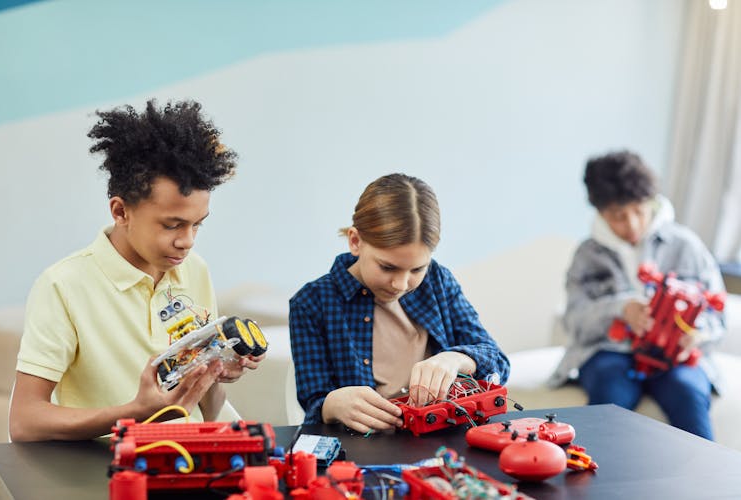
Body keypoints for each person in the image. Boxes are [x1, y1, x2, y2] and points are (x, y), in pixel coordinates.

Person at [9, 100, 264, 442]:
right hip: (110, 475)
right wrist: (134, 414)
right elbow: (25, 421)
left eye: (197, 225)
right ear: (120, 211)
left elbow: (206, 409)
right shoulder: (63, 286)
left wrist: (216, 371)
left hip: (191, 459)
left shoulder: (194, 271)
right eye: (172, 225)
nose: (186, 242)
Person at [289, 173, 510, 433]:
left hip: (442, 437)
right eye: (387, 267)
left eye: (417, 269)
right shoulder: (311, 303)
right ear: (355, 241)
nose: (401, 284)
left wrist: (456, 359)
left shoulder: (438, 280)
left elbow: (498, 364)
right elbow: (313, 404)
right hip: (364, 447)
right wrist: (332, 405)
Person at [550, 150, 726, 439]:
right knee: (609, 392)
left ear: (651, 203)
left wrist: (697, 333)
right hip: (609, 352)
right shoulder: (587, 255)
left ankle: (708, 481)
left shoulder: (685, 245)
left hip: (676, 358)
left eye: (638, 211)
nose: (631, 224)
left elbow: (716, 314)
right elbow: (574, 321)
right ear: (600, 213)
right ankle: (599, 481)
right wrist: (620, 309)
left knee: (688, 391)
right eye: (618, 216)